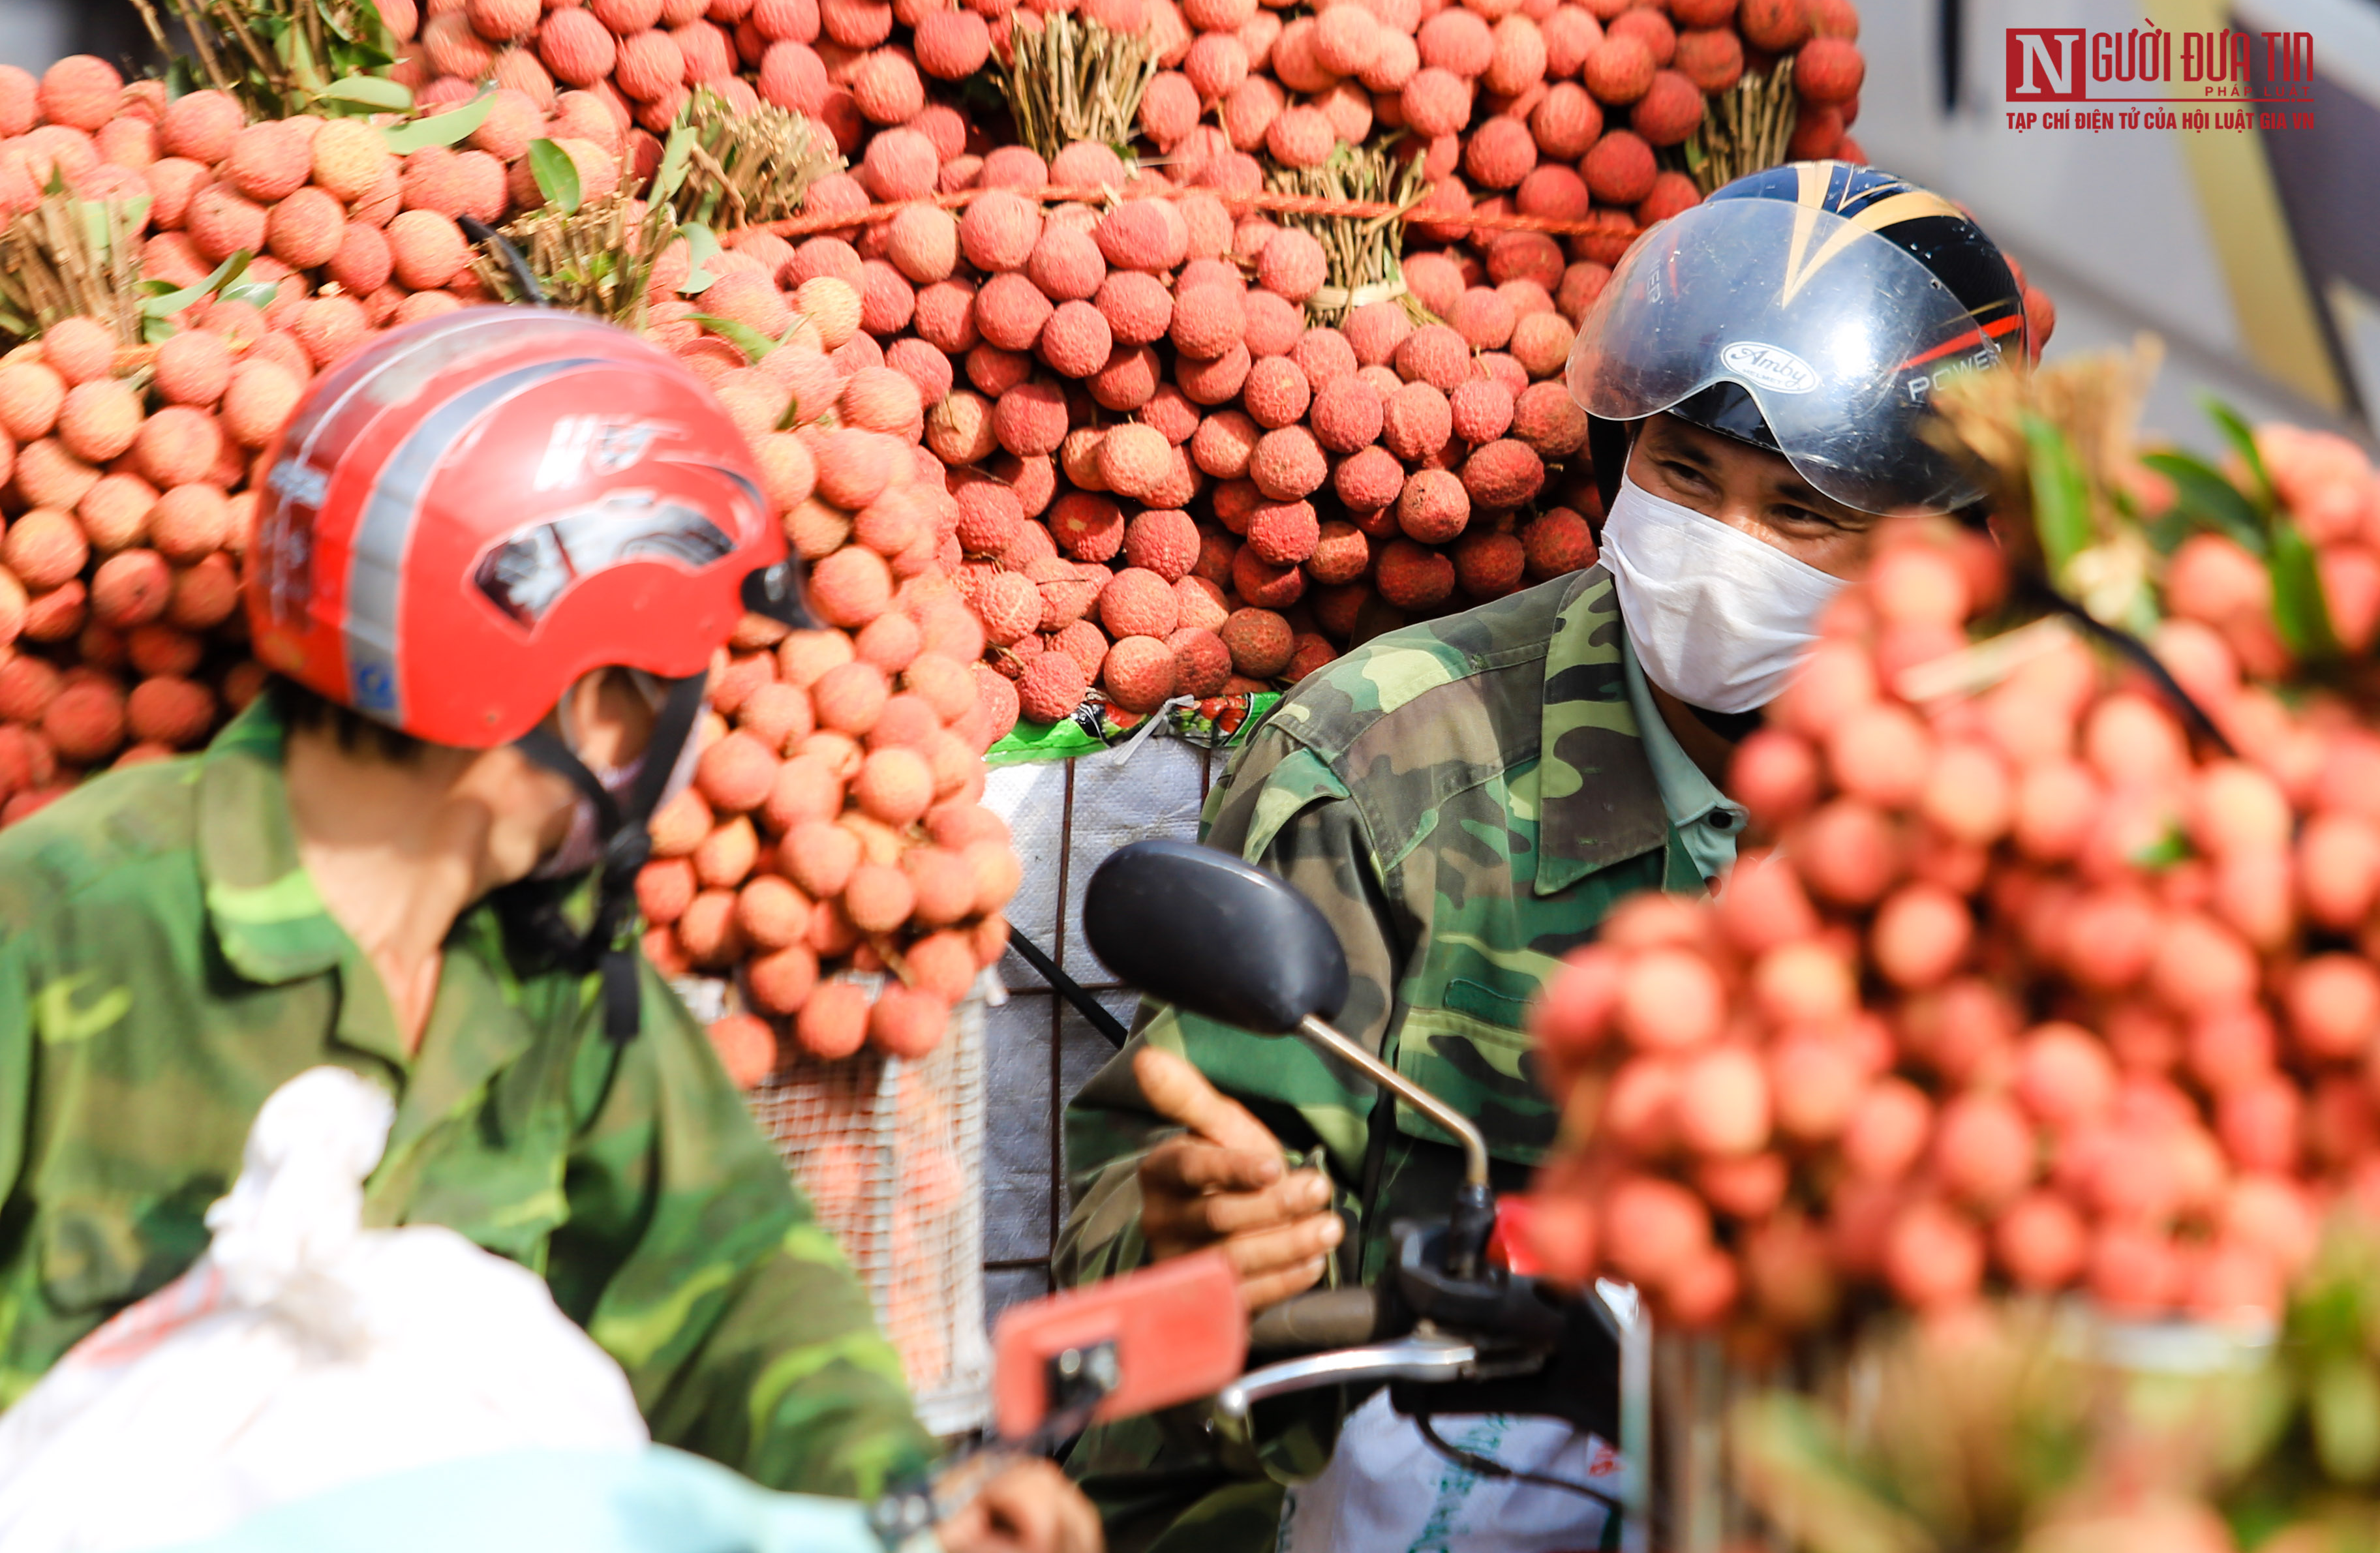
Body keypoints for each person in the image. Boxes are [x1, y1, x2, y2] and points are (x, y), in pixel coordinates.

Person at [0, 309, 1097, 1553]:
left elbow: (724, 1278)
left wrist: (902, 1500)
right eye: (691, 673)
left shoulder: (552, 955)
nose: (704, 722)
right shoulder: (66, 929)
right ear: (594, 700)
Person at [1053, 162, 2032, 1553]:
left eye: (1802, 511)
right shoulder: (1389, 762)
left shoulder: (2020, 806)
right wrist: (1193, 1236)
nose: (1722, 552)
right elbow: (1131, 1243)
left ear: (1943, 555)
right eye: (1687, 477)